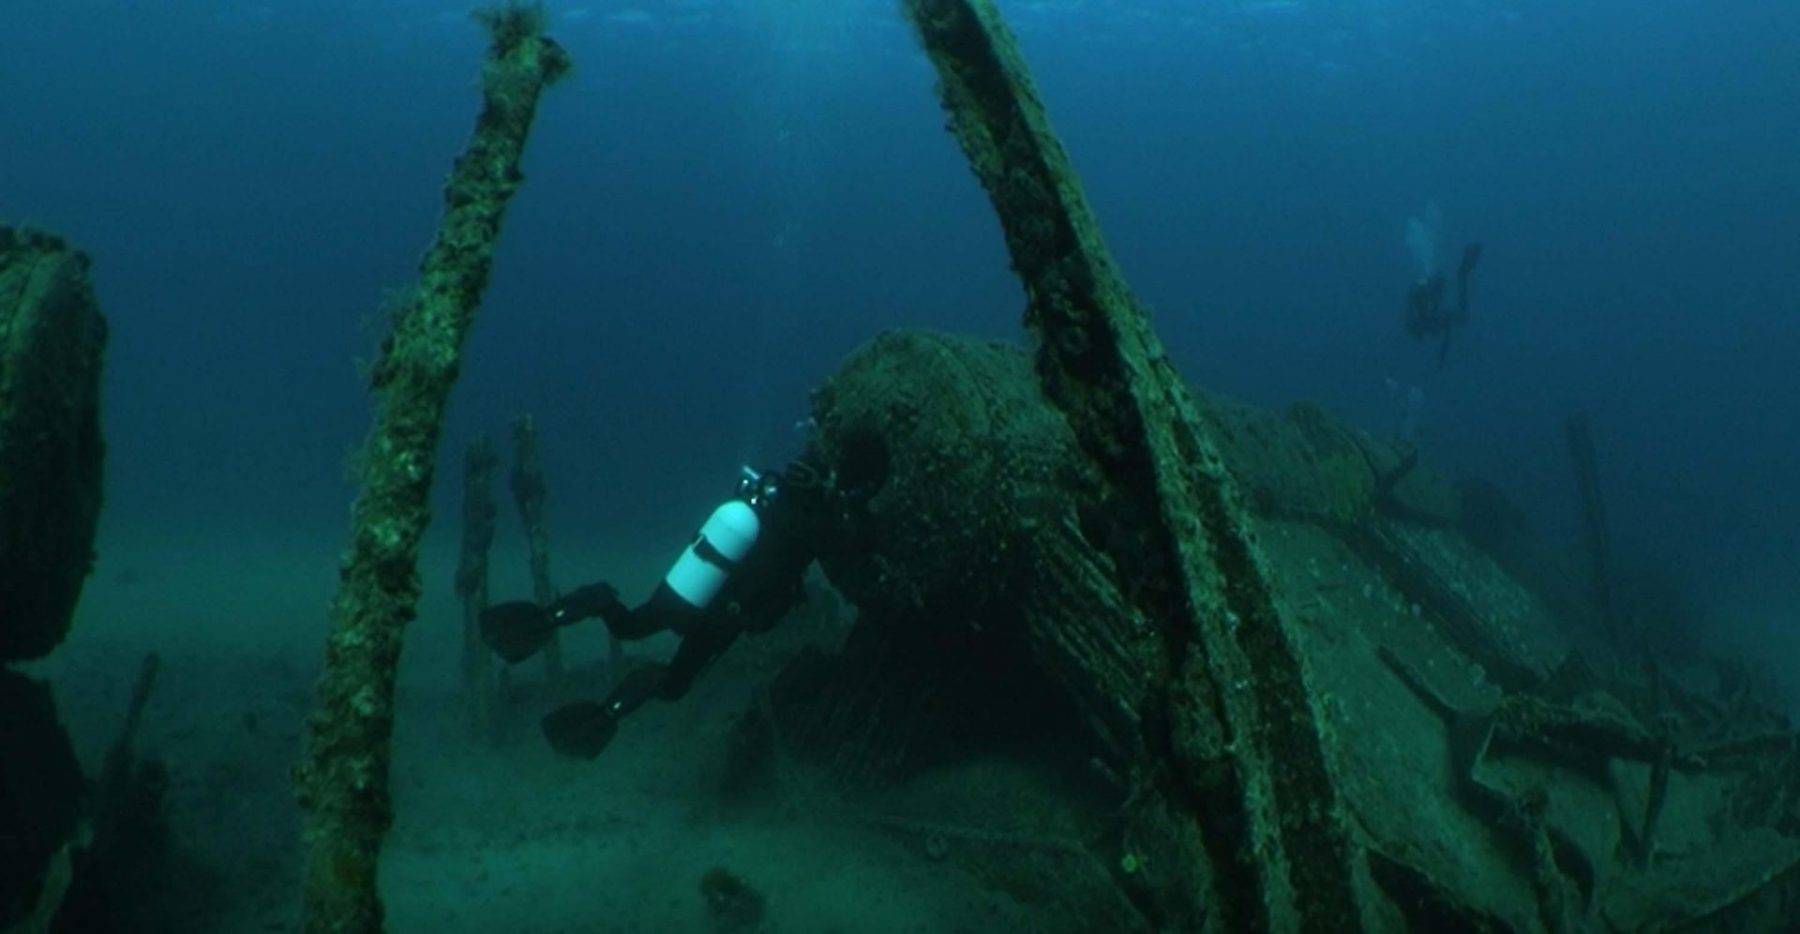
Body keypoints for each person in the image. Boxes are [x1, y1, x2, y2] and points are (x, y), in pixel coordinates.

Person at [481, 457, 829, 758]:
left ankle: (581, 605)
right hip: (719, 619)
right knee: (675, 684)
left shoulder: (757, 503)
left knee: (628, 627)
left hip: (684, 589)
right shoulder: (806, 530)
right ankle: (614, 708)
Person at [1404, 241, 1483, 367]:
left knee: (1462, 316)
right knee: (1462, 316)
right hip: (1429, 316)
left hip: (1428, 316)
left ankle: (1463, 272)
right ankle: (1464, 272)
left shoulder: (1421, 313)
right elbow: (1446, 333)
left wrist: (1441, 357)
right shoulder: (1423, 308)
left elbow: (1444, 331)